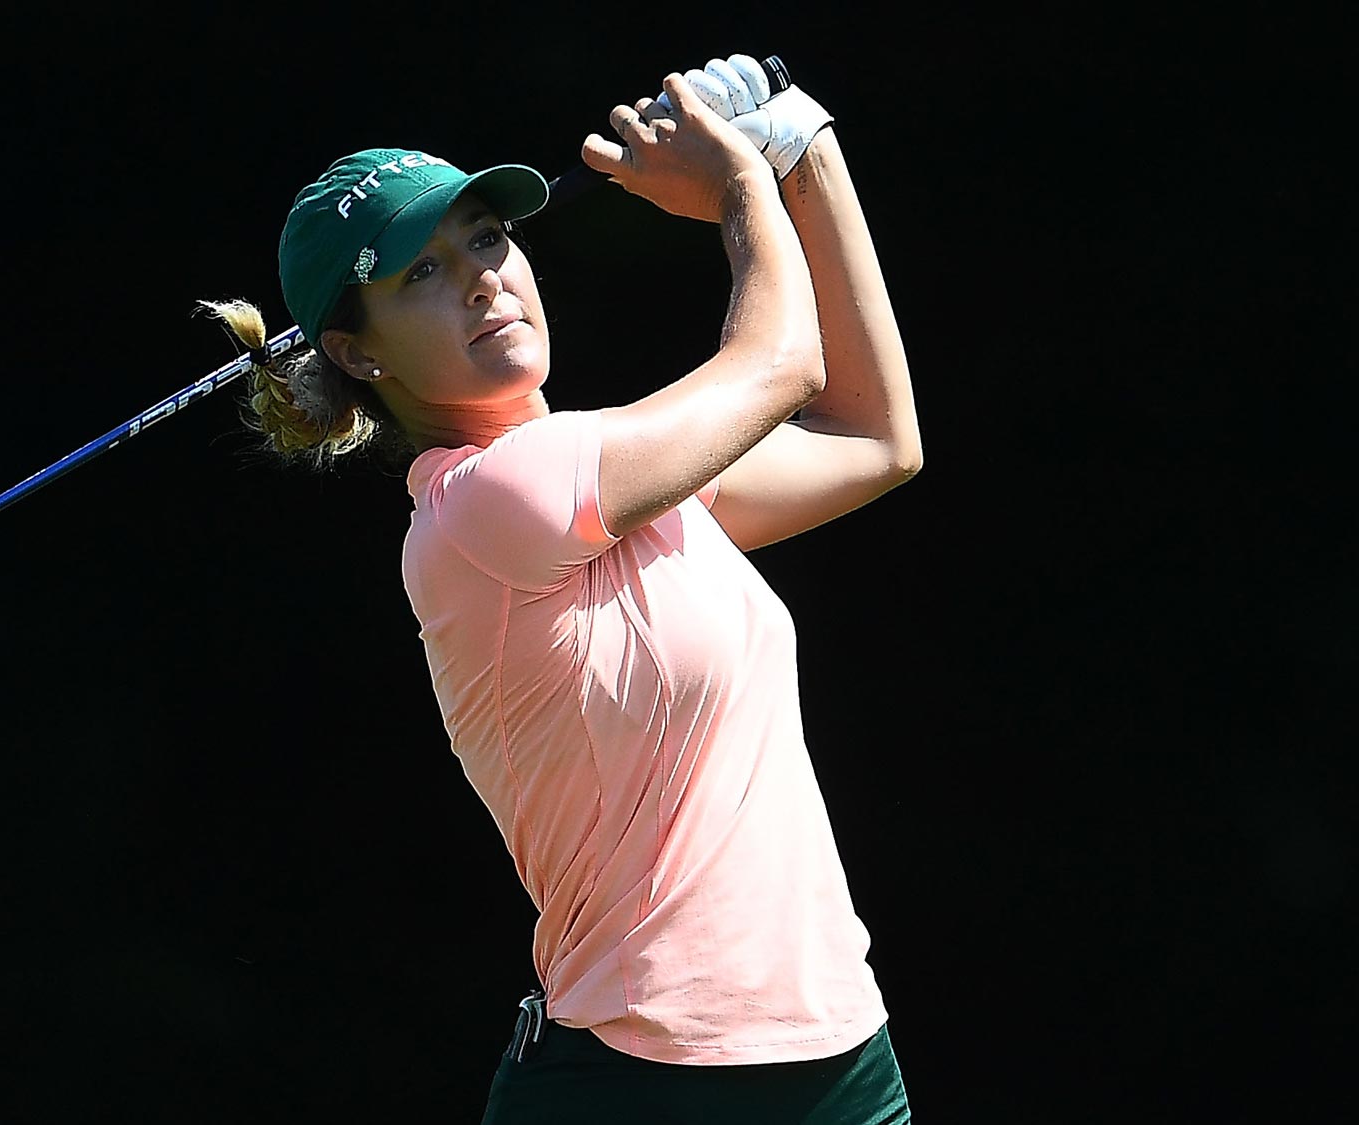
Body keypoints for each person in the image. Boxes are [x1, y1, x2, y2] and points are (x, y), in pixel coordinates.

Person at [204, 54, 921, 1123]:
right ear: (354, 354)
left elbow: (873, 439)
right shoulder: (483, 505)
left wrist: (804, 149)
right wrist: (738, 184)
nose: (483, 276)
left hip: (837, 1058)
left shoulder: (629, 484)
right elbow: (781, 367)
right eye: (421, 274)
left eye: (485, 240)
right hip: (638, 1086)